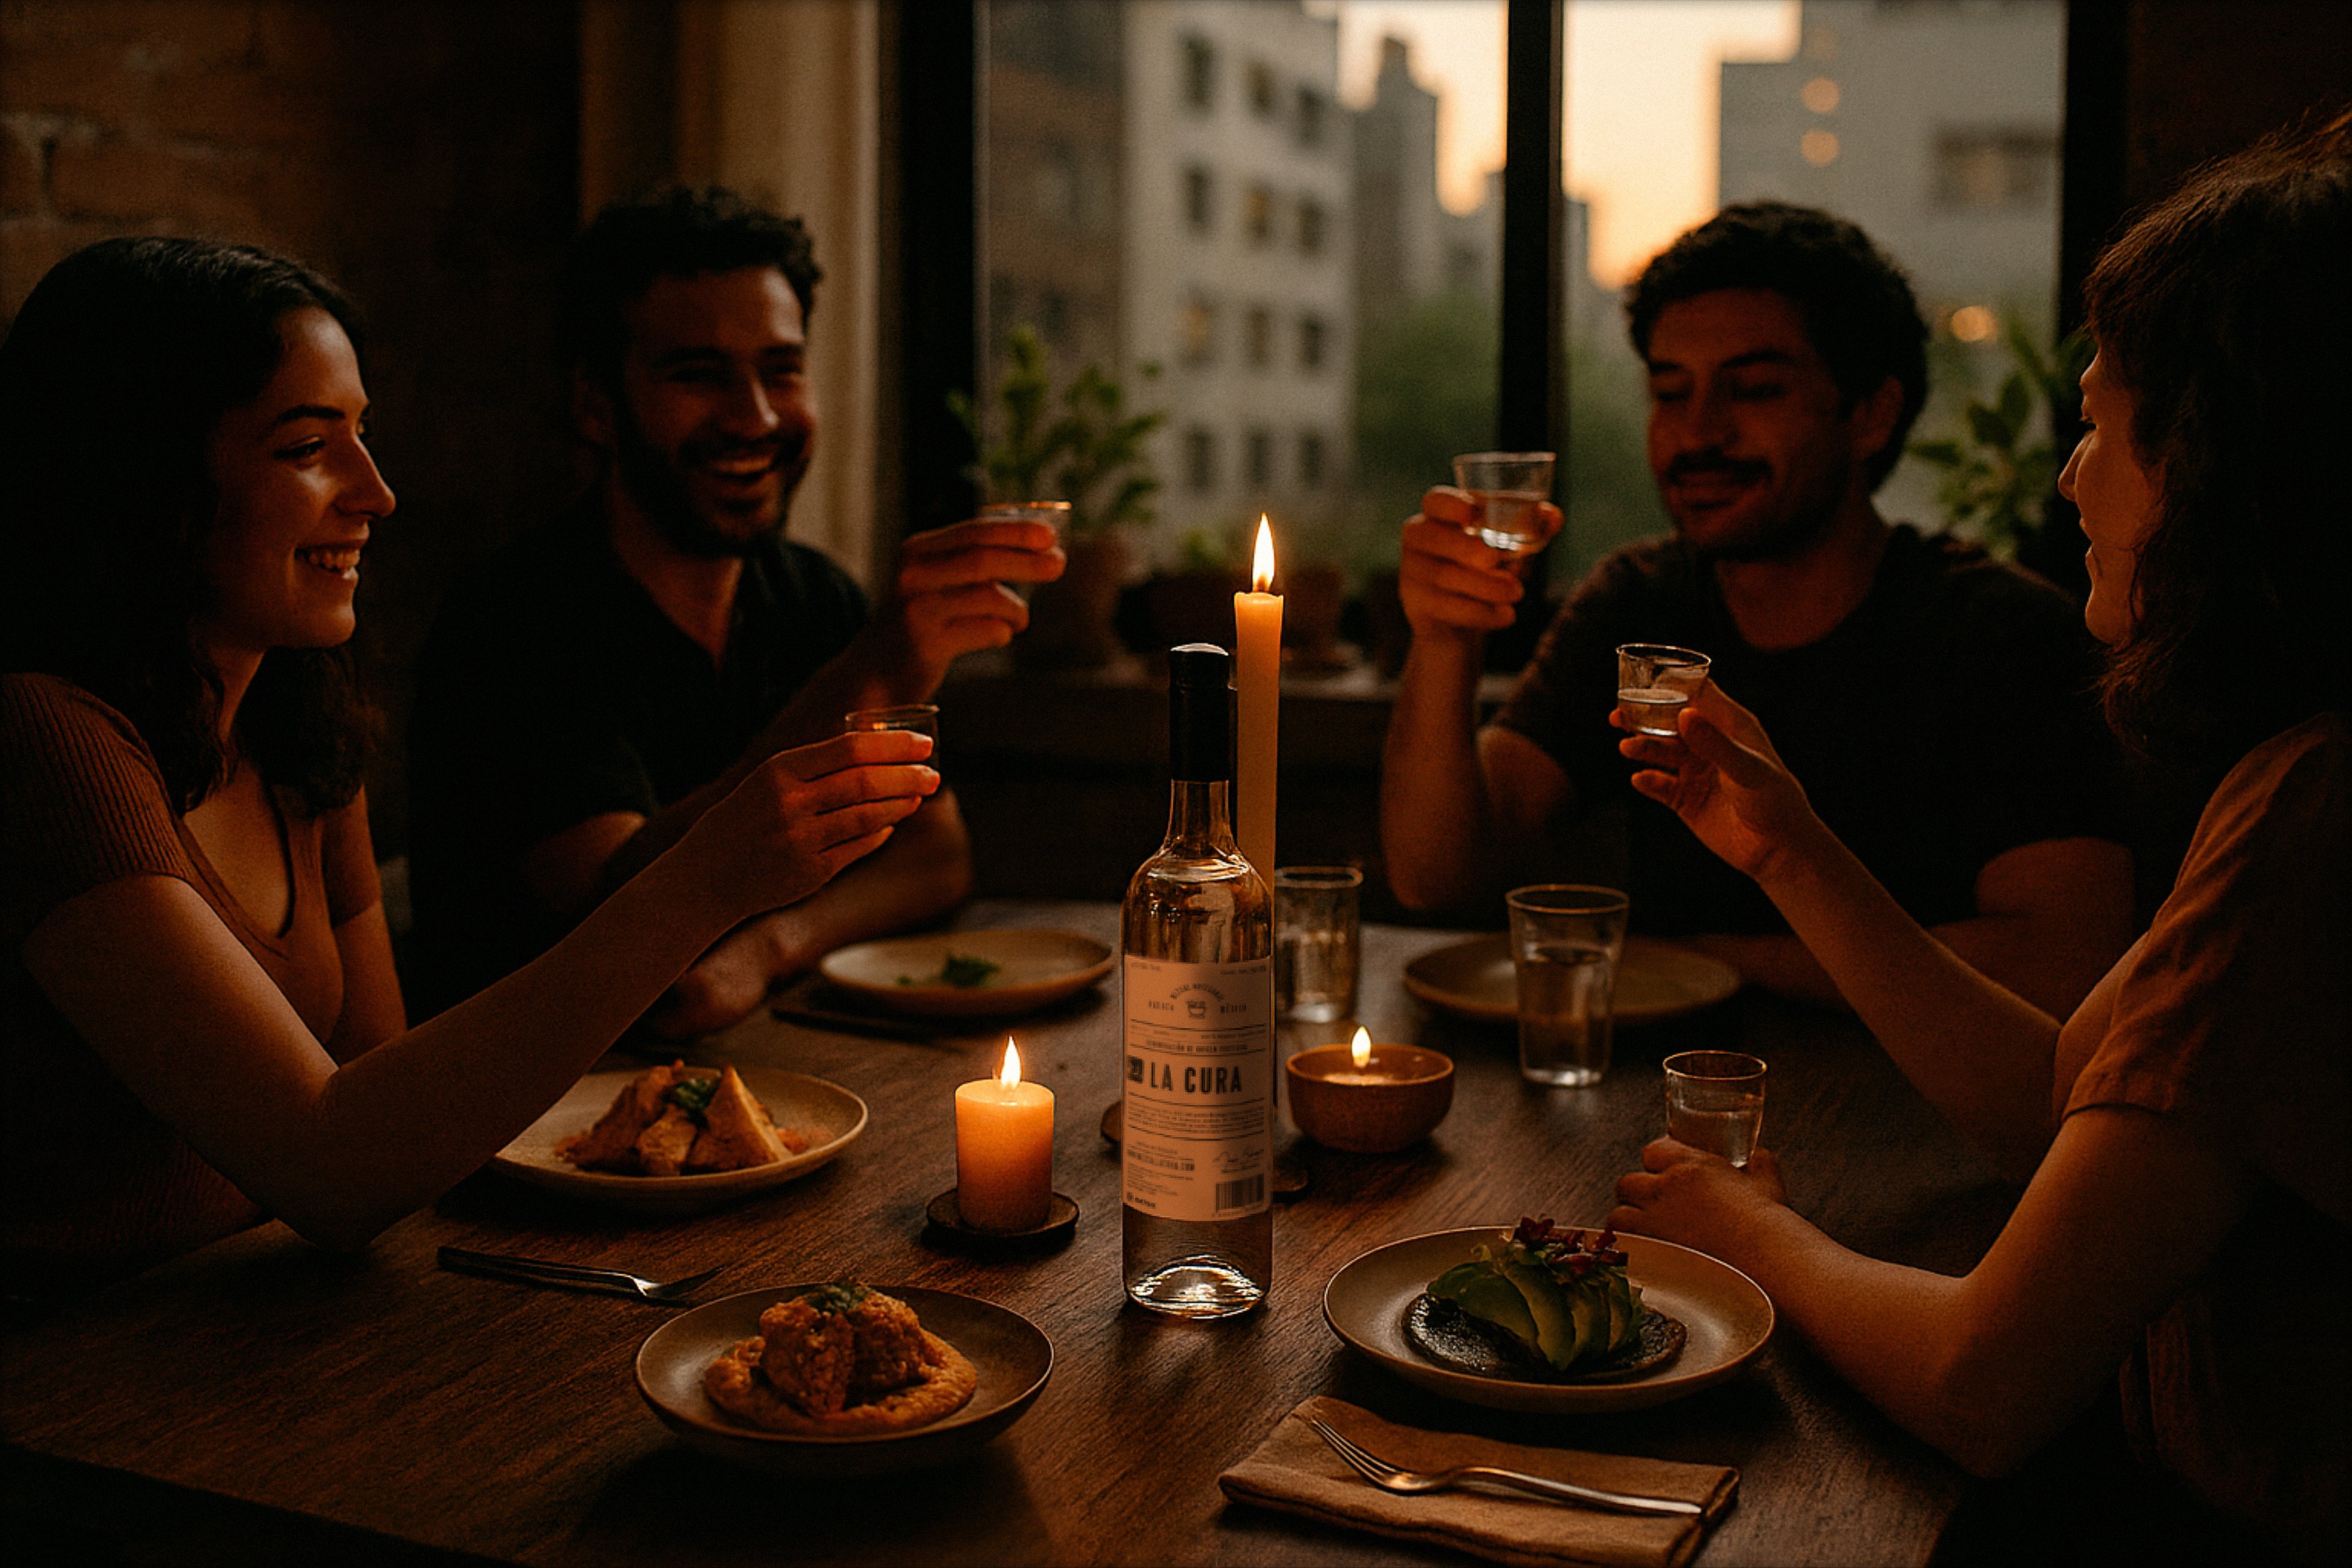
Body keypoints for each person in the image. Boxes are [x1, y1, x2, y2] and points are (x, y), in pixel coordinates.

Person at [1606, 119, 2348, 1561]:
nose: (2071, 478)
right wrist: (1791, 848)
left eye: (2101, 424)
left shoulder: (2314, 824)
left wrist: (1746, 1229)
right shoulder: (2285, 762)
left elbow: (1981, 1385)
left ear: (2219, 460)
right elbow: (2056, 1104)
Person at [0, 238, 937, 1290]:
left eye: (362, 435)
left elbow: (392, 1114)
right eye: (307, 447)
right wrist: (704, 882)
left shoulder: (293, 720)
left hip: (280, 1309)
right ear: (145, 482)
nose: (375, 493)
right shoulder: (42, 739)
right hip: (84, 1361)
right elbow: (334, 1167)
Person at [1381, 203, 2133, 1017]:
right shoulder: (1639, 604)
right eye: (1670, 392)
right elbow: (1435, 876)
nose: (1697, 432)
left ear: (1870, 414)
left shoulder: (2002, 634)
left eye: (1754, 389)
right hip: (1666, 1090)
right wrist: (1445, 640)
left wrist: (1717, 965)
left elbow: (2065, 959)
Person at [405, 187, 1059, 1031]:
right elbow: (616, 913)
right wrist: (868, 672)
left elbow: (935, 855)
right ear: (596, 406)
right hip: (541, 1094)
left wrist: (772, 947)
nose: (754, 417)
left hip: (770, 1065)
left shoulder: (812, 596)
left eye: (781, 370)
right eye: (699, 375)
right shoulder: (512, 624)